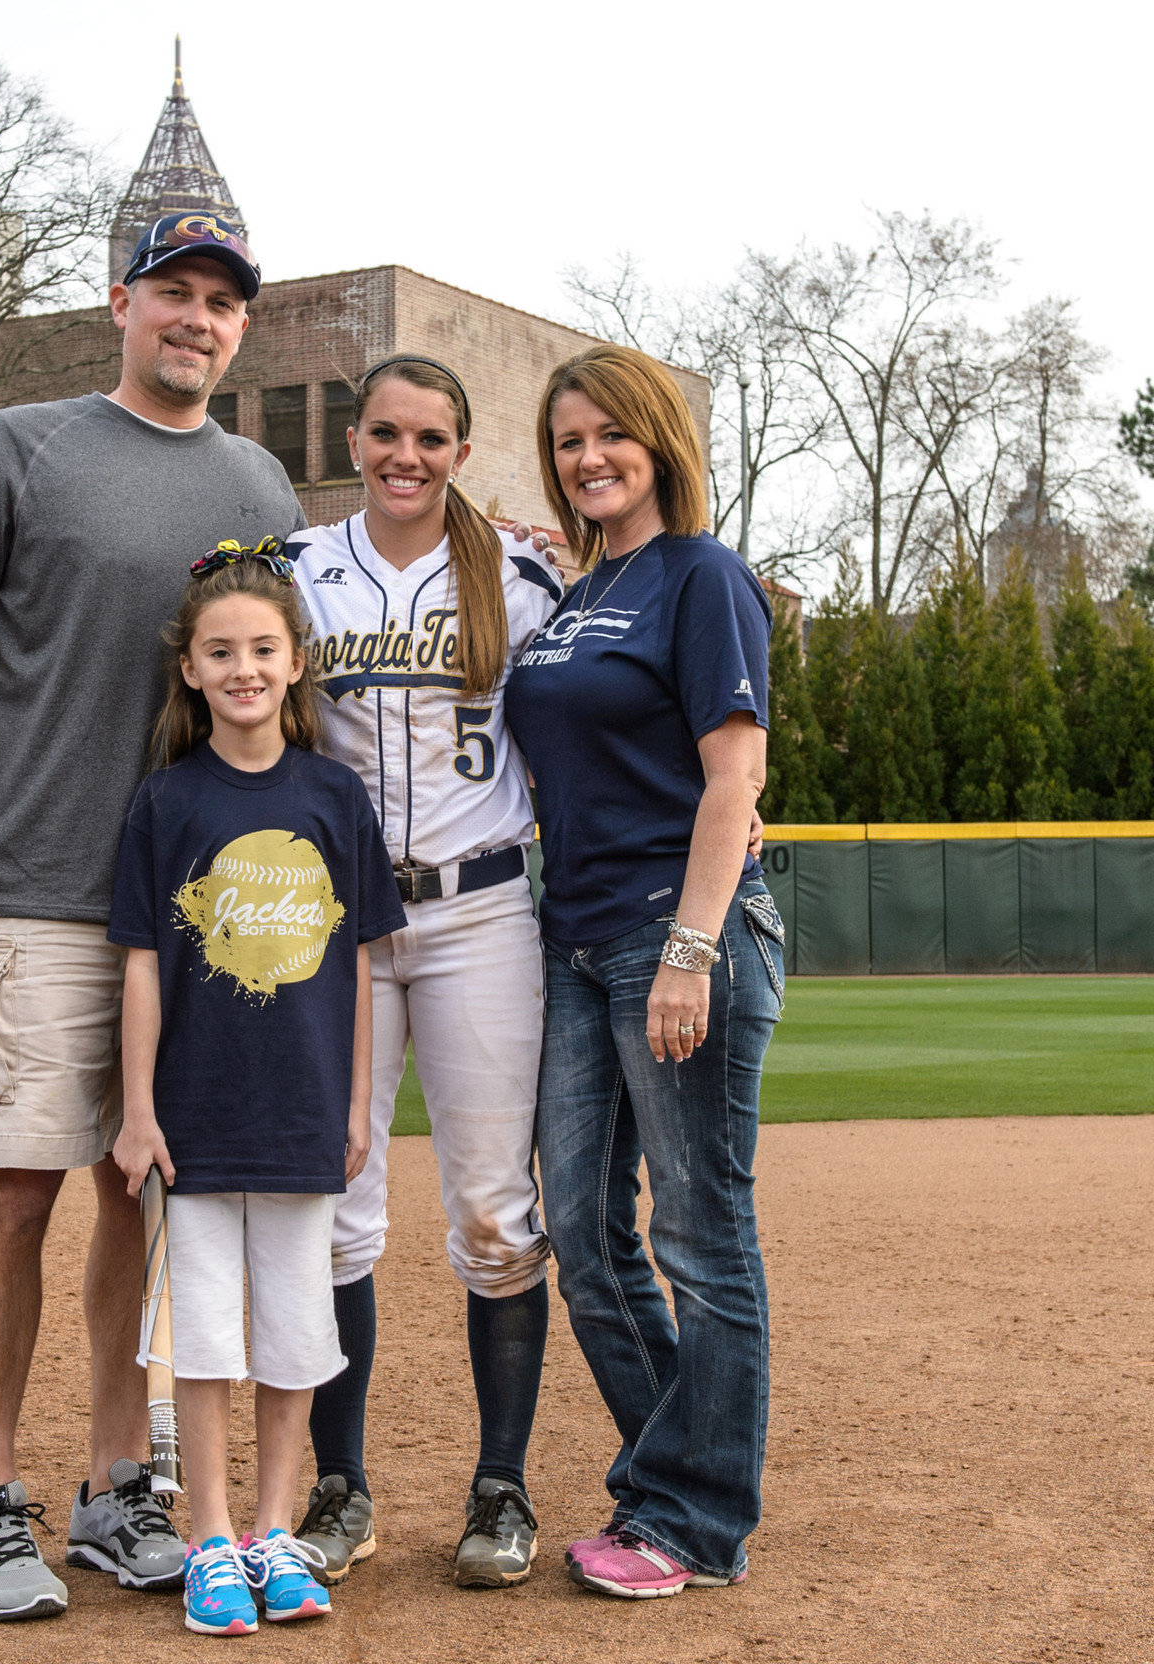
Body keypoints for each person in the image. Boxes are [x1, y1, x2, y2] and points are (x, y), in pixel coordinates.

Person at [0, 211, 304, 1624]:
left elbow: (296, 664)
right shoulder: (22, 444)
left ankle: (119, 1486)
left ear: (244, 326)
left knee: (142, 1191)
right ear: (119, 302)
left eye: (221, 301)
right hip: (37, 884)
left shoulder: (257, 481)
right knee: (14, 1188)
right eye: (173, 291)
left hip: (192, 915)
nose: (197, 317)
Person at [502, 343, 785, 1599]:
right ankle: (677, 1468)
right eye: (567, 440)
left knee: (701, 1234)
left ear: (659, 438)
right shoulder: (571, 595)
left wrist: (691, 947)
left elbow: (735, 777)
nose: (588, 457)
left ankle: (694, 1517)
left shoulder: (700, 575)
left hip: (678, 933)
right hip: (572, 936)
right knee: (579, 1224)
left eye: (610, 433)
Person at [284, 355, 564, 1589]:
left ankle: (501, 1483)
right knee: (337, 1203)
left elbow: (618, 701)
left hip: (482, 912)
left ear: (462, 447)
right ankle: (337, 1484)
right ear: (356, 439)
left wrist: (734, 795)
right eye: (388, 432)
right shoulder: (297, 571)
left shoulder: (526, 571)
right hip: (341, 924)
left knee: (496, 1211)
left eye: (433, 436)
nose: (408, 454)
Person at [108, 542, 406, 1635]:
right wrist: (137, 1108)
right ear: (189, 669)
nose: (242, 667)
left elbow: (364, 964)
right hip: (192, 1115)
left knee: (291, 1333)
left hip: (299, 1113)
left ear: (295, 665)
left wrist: (353, 1100)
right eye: (219, 649)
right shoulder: (164, 803)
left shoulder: (333, 795)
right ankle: (211, 1537)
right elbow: (142, 963)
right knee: (205, 1340)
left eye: (262, 648)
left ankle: (278, 1528)